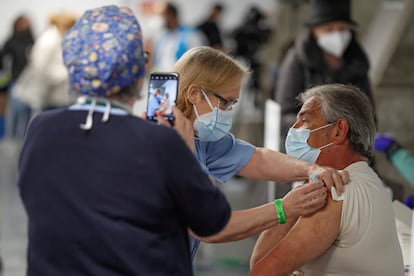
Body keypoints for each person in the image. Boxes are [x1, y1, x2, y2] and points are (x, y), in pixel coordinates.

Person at [17, 6, 232, 275]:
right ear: (137, 74)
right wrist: (187, 151)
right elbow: (213, 219)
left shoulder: (40, 129)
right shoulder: (159, 143)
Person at [157, 46, 349, 259]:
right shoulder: (159, 147)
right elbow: (210, 225)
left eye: (233, 103)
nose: (229, 111)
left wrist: (313, 169)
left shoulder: (198, 140)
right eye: (225, 102)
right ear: (194, 93)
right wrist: (283, 209)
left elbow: (258, 159)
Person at [250, 84, 404, 275]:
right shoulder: (371, 180)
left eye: (304, 120)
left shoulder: (335, 189)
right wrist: (292, 204)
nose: (293, 129)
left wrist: (286, 207)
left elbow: (261, 269)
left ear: (338, 131)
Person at [275, 0, 376, 152]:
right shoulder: (296, 61)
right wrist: (321, 131)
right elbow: (284, 114)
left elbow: (369, 111)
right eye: (329, 30)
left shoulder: (358, 62)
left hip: (350, 149)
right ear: (314, 31)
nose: (337, 35)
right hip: (308, 149)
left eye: (342, 29)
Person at [11, 11, 77, 138]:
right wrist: (65, 74)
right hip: (52, 95)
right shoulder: (48, 40)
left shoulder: (58, 38)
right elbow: (40, 67)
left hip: (60, 95)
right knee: (50, 132)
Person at [0, 14, 34, 138]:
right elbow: (2, 58)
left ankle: (25, 135)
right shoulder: (11, 41)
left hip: (30, 80)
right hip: (16, 79)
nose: (25, 26)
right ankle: (12, 136)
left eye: (27, 23)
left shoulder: (32, 41)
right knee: (16, 109)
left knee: (28, 109)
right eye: (23, 23)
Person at [151, 1, 206, 71]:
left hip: (181, 77)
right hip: (160, 76)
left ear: (171, 15)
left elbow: (198, 60)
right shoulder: (161, 36)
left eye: (161, 15)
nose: (159, 19)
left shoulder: (191, 35)